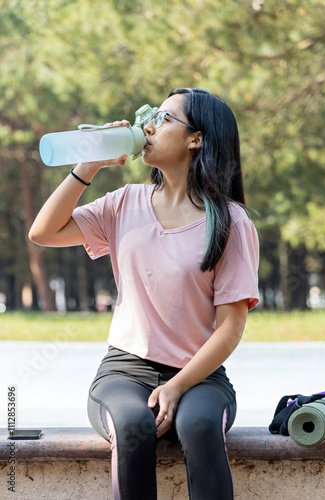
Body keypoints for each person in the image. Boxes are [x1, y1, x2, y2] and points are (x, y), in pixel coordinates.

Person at [29, 87, 259, 500]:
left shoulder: (231, 222)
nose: (148, 126)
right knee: (134, 426)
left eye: (165, 118)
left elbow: (230, 329)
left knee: (200, 425)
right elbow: (43, 232)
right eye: (151, 115)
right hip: (124, 372)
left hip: (200, 376)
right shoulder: (123, 203)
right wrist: (90, 164)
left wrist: (177, 387)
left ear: (197, 139)